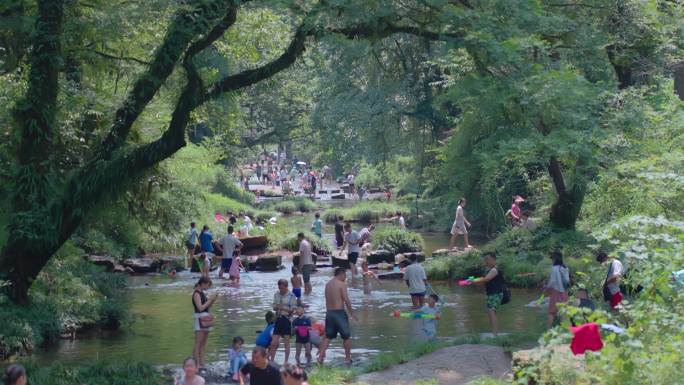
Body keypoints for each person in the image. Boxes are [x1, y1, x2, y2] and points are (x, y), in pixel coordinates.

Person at [318, 267, 357, 365]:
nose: (345, 277)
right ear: (341, 274)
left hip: (329, 313)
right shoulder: (341, 284)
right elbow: (346, 299)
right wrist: (352, 313)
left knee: (328, 336)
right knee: (346, 336)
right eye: (345, 275)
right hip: (339, 313)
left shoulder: (328, 284)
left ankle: (320, 357)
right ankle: (348, 358)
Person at [468, 252, 505, 336]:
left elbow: (486, 279)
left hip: (495, 294)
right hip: (493, 294)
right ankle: (494, 333)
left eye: (487, 259)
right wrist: (473, 281)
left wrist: (473, 281)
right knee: (491, 312)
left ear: (494, 259)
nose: (486, 261)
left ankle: (495, 334)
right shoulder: (491, 269)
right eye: (485, 260)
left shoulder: (494, 270)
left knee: (491, 312)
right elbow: (483, 279)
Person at [270, 279, 297, 364]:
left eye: (281, 288)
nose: (280, 289)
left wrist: (283, 308)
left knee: (286, 343)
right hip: (278, 319)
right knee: (274, 342)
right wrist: (276, 307)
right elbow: (274, 306)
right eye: (279, 287)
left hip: (287, 320)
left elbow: (293, 311)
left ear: (286, 287)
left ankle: (286, 362)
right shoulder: (276, 294)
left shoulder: (292, 296)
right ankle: (272, 361)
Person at [544, 250, 570, 328]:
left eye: (552, 259)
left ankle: (549, 330)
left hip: (555, 291)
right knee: (563, 312)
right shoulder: (565, 267)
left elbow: (552, 281)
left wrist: (547, 288)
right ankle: (564, 330)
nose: (552, 260)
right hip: (564, 292)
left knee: (551, 312)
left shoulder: (554, 268)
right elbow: (567, 281)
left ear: (555, 259)